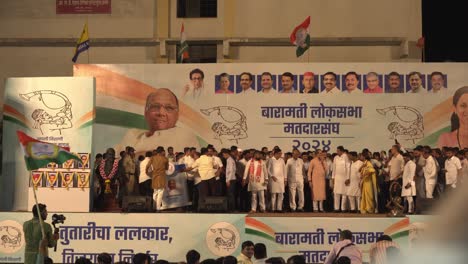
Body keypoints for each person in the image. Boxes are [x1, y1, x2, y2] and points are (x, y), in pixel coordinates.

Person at [116, 88, 199, 154]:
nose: (161, 113)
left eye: (169, 108)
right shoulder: (132, 134)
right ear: (146, 112)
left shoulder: (185, 135)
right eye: (155, 107)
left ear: (177, 114)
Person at [147, 147, 169, 211]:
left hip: (154, 176)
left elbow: (147, 166)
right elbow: (167, 168)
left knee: (155, 192)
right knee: (160, 192)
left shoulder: (152, 158)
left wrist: (146, 172)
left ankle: (154, 207)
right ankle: (158, 208)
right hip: (161, 176)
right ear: (162, 151)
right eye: (163, 151)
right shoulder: (165, 159)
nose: (164, 153)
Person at [332, 146, 350, 212]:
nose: (337, 152)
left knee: (344, 193)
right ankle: (336, 208)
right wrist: (333, 178)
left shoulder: (346, 156)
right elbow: (334, 168)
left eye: (338, 151)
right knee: (336, 193)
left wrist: (348, 178)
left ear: (341, 151)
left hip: (344, 178)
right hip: (337, 178)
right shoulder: (335, 158)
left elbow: (348, 168)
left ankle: (343, 208)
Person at [268, 148, 286, 212]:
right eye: (279, 153)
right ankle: (273, 208)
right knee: (273, 194)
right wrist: (272, 176)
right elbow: (268, 170)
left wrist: (285, 179)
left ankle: (279, 208)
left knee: (281, 194)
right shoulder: (271, 160)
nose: (280, 154)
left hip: (281, 179)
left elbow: (284, 170)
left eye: (281, 153)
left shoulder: (282, 160)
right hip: (274, 179)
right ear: (275, 153)